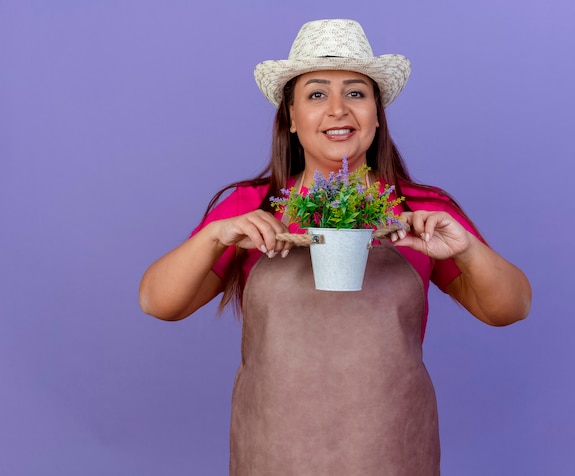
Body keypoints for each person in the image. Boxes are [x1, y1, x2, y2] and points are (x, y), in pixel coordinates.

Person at [139, 18, 531, 475]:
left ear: (377, 114)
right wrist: (213, 236)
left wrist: (466, 250)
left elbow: (511, 307)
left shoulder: (422, 211)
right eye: (317, 94)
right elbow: (158, 302)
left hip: (393, 453)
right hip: (273, 455)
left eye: (356, 93)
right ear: (290, 116)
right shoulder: (252, 207)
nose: (338, 109)